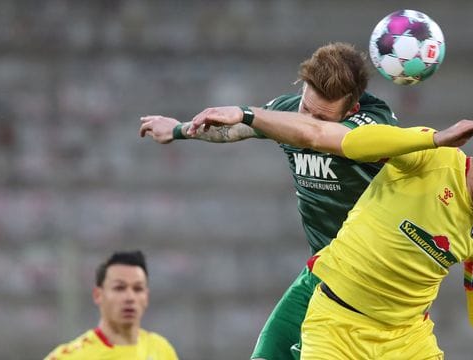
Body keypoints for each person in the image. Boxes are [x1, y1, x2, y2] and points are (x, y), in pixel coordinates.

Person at [188, 108, 473, 359]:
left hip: (406, 342)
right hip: (338, 327)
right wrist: (247, 115)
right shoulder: (428, 155)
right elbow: (331, 138)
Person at [139, 42, 399, 360]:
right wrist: (179, 130)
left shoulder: (376, 126)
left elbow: (311, 134)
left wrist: (249, 114)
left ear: (352, 111)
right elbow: (234, 130)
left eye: (324, 117)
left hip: (377, 285)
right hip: (324, 271)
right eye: (307, 109)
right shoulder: (289, 111)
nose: (309, 119)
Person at [45, 250, 178, 360]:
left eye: (138, 289)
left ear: (146, 297)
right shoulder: (70, 357)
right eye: (119, 288)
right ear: (98, 295)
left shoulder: (161, 350)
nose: (130, 297)